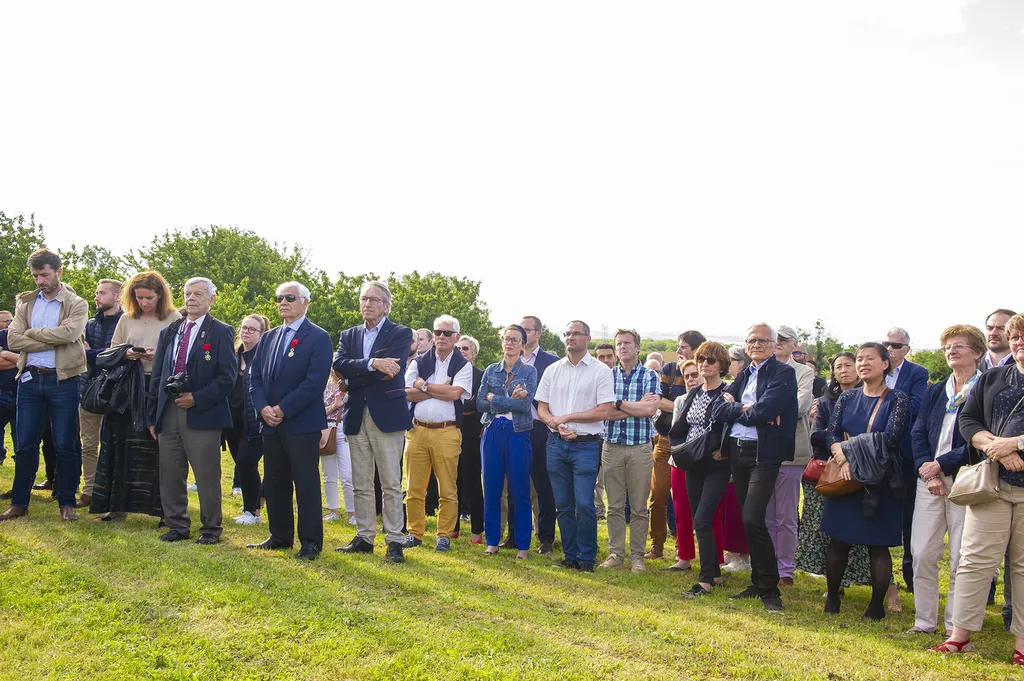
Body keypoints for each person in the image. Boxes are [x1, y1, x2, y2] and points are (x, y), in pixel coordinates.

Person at [930, 313, 1024, 661]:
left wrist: (1015, 443)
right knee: (974, 561)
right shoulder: (995, 378)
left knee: (1023, 568)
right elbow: (969, 420)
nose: (1018, 344)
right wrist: (993, 445)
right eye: (1015, 338)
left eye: (1023, 338)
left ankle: (1023, 647)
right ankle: (960, 636)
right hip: (993, 484)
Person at [821, 342, 910, 620]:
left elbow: (890, 438)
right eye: (859, 359)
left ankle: (875, 606)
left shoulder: (898, 399)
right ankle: (832, 597)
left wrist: (848, 450)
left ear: (885, 364)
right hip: (845, 479)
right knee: (838, 541)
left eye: (869, 359)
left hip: (878, 481)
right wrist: (842, 458)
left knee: (877, 545)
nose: (862, 363)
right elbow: (831, 434)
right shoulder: (847, 399)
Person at [713, 323, 798, 612]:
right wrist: (746, 409)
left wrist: (744, 409)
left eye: (763, 340)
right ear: (746, 345)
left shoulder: (783, 373)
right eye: (752, 340)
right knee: (750, 518)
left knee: (752, 517)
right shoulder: (744, 373)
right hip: (737, 451)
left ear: (775, 345)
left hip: (764, 454)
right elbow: (718, 409)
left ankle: (770, 588)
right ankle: (757, 582)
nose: (757, 345)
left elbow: (768, 409)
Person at [0, 249, 88, 522]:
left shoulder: (77, 303)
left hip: (63, 380)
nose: (39, 281)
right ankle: (19, 503)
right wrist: (54, 337)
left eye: (44, 275)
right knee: (25, 443)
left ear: (59, 272)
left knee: (65, 443)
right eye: (35, 276)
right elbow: (13, 340)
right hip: (28, 379)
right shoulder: (26, 304)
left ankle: (66, 502)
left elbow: (71, 333)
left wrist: (31, 334)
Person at [248, 281, 333, 561]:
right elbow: (255, 377)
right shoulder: (270, 337)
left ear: (305, 302)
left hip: (301, 422)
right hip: (270, 423)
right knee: (274, 481)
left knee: (305, 483)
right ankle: (280, 535)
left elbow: (314, 382)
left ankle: (310, 542)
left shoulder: (318, 337)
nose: (283, 302)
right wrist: (263, 408)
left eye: (290, 297)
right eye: (279, 298)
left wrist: (282, 409)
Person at [149, 277, 237, 545]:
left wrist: (196, 398)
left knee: (206, 473)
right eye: (187, 294)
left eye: (198, 294)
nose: (191, 299)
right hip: (169, 411)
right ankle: (177, 524)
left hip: (202, 413)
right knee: (170, 471)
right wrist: (153, 414)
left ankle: (211, 527)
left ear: (212, 299)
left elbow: (228, 377)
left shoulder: (220, 331)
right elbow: (158, 375)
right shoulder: (170, 331)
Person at [908, 324, 984, 634]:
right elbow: (918, 431)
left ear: (977, 352)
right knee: (922, 552)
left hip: (967, 481)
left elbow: (981, 441)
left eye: (959, 346)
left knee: (961, 558)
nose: (951, 351)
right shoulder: (936, 389)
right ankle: (924, 622)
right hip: (929, 481)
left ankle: (956, 625)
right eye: (947, 347)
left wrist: (941, 464)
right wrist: (927, 468)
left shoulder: (985, 389)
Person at [89, 271, 180, 522]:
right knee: (120, 447)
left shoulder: (175, 317)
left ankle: (165, 511)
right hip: (128, 388)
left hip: (159, 387)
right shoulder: (126, 319)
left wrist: (158, 356)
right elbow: (112, 351)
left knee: (159, 449)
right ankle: (117, 507)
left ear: (160, 295)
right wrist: (130, 353)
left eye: (149, 298)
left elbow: (182, 354)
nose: (144, 303)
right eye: (139, 297)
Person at [333, 280, 414, 563]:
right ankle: (364, 536)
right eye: (364, 299)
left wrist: (356, 374)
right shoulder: (349, 334)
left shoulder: (401, 333)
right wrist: (372, 363)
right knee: (361, 481)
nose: (367, 304)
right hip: (356, 414)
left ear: (387, 306)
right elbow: (339, 364)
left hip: (387, 415)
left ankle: (394, 540)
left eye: (374, 299)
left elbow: (392, 370)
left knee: (391, 481)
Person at [536, 320, 615, 572]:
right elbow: (542, 407)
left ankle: (587, 557)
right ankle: (570, 555)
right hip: (556, 443)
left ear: (588, 339)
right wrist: (553, 423)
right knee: (564, 504)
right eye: (567, 333)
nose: (570, 338)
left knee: (584, 503)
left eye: (576, 334)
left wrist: (568, 418)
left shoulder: (600, 371)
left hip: (586, 445)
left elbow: (604, 410)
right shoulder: (553, 369)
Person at [795, 352, 873, 587]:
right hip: (828, 471)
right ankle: (835, 583)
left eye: (848, 365)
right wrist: (838, 438)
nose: (843, 370)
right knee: (825, 531)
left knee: (862, 531)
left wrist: (851, 441)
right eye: (838, 367)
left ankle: (884, 587)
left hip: (862, 471)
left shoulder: (872, 398)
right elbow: (816, 434)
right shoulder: (826, 401)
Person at [403, 314, 473, 552]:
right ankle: (414, 532)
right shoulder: (419, 361)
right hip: (417, 430)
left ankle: (444, 534)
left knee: (447, 488)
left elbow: (455, 393)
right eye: (437, 332)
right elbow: (406, 393)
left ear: (456, 337)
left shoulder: (464, 365)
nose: (440, 337)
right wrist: (440, 389)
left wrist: (423, 386)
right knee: (413, 487)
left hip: (447, 432)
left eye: (446, 333)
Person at [670, 341, 732, 595]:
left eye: (711, 360)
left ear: (722, 366)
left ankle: (705, 580)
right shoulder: (694, 393)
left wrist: (725, 450)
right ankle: (714, 574)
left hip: (717, 465)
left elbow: (737, 427)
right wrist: (680, 450)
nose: (705, 364)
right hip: (692, 464)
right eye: (702, 359)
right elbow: (678, 427)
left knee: (704, 519)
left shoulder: (728, 394)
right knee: (699, 519)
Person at [601, 329, 660, 573]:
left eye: (627, 343)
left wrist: (618, 404)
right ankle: (616, 554)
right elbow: (604, 411)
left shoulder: (650, 375)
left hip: (640, 448)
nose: (623, 347)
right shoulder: (605, 376)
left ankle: (637, 556)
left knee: (638, 506)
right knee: (613, 506)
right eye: (619, 344)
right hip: (612, 446)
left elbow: (649, 410)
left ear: (638, 347)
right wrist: (633, 406)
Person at [478, 325, 538, 559]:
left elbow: (524, 406)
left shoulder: (529, 372)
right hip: (492, 429)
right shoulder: (491, 370)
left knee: (520, 489)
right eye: (506, 339)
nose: (509, 343)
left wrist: (494, 397)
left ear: (523, 345)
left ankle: (523, 545)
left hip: (518, 431)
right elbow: (480, 404)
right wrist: (504, 400)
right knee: (491, 488)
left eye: (515, 340)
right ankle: (492, 540)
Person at [650, 330, 707, 562]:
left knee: (693, 500)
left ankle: (684, 549)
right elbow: (656, 400)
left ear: (696, 349)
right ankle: (657, 545)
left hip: (698, 445)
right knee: (658, 494)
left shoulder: (706, 372)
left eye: (683, 347)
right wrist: (686, 407)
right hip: (666, 441)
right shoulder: (669, 370)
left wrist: (678, 407)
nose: (678, 351)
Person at [767, 325, 815, 587]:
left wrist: (768, 410)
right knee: (765, 514)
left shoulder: (804, 372)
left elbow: (803, 404)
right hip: (761, 450)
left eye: (785, 340)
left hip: (791, 451)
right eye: (777, 339)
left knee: (785, 515)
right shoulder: (764, 369)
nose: (780, 343)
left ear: (795, 344)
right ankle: (768, 564)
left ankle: (785, 569)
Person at [884, 326, 929, 594]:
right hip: (875, 453)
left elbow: (915, 407)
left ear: (907, 349)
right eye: (886, 343)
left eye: (896, 345)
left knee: (909, 515)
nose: (890, 348)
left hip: (904, 454)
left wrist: (880, 405)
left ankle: (910, 573)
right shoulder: (875, 368)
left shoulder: (917, 373)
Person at [509, 315, 559, 555]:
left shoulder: (551, 362)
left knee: (542, 485)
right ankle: (514, 535)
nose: (522, 334)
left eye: (526, 330)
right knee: (515, 483)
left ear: (538, 333)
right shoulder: (510, 359)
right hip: (513, 426)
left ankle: (546, 538)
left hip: (539, 428)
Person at [77, 279, 123, 509]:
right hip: (89, 389)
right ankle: (90, 491)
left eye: (102, 293)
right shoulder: (90, 324)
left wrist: (94, 353)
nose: (96, 297)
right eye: (96, 292)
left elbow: (118, 354)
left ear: (117, 296)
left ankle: (113, 494)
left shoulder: (127, 321)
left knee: (114, 445)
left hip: (117, 391)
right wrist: (101, 353)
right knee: (88, 444)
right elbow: (80, 354)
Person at [227, 314, 268, 526]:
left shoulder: (263, 358)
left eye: (252, 329)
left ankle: (252, 511)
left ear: (261, 335)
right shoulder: (231, 356)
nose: (247, 332)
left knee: (246, 461)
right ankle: (257, 502)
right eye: (244, 327)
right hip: (231, 421)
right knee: (242, 465)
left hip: (254, 422)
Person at [666, 359, 702, 570]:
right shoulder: (679, 400)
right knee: (681, 510)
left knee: (708, 513)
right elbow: (677, 432)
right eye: (686, 376)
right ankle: (684, 556)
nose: (690, 379)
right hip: (680, 461)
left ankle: (714, 560)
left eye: (694, 374)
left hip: (704, 463)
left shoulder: (715, 398)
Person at [454, 335, 484, 543]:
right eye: (458, 348)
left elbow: (477, 404)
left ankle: (476, 531)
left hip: (473, 430)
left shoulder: (481, 376)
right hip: (450, 428)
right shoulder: (449, 373)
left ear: (473, 354)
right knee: (451, 481)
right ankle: (451, 527)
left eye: (466, 348)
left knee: (472, 480)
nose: (462, 351)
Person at [321, 370, 353, 523]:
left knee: (347, 475)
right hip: (327, 430)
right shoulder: (323, 387)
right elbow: (318, 412)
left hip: (344, 430)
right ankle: (333, 510)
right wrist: (334, 406)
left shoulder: (350, 386)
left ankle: (352, 513)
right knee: (329, 474)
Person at [0, 318, 19, 466]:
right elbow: (25, 361)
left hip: (26, 395)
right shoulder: (2, 335)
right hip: (2, 393)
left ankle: (21, 485)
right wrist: (20, 360)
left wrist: (5, 353)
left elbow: (31, 361)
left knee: (22, 440)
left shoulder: (31, 337)